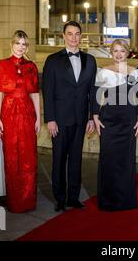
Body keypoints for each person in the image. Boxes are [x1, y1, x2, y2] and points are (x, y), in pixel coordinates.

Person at [42, 20, 96, 212]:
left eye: (77, 34)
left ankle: (73, 197)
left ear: (81, 36)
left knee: (76, 159)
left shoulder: (90, 60)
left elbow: (93, 91)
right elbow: (47, 92)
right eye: (70, 33)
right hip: (59, 119)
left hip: (81, 119)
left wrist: (92, 117)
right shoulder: (52, 60)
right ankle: (60, 198)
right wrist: (50, 119)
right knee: (58, 160)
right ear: (64, 36)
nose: (74, 37)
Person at [92, 39, 138, 211]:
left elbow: (137, 98)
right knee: (108, 160)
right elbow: (94, 96)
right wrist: (95, 116)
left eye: (122, 51)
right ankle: (108, 200)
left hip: (128, 122)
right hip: (108, 121)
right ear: (111, 52)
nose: (119, 54)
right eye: (115, 51)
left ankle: (126, 201)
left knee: (126, 161)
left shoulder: (135, 72)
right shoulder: (103, 72)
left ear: (127, 52)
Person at [0, 30, 40, 213]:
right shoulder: (2, 65)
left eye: (24, 44)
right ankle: (14, 201)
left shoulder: (31, 67)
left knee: (29, 157)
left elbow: (36, 95)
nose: (21, 47)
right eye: (18, 43)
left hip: (27, 113)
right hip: (8, 113)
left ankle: (28, 200)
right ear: (11, 44)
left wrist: (39, 118)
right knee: (12, 158)